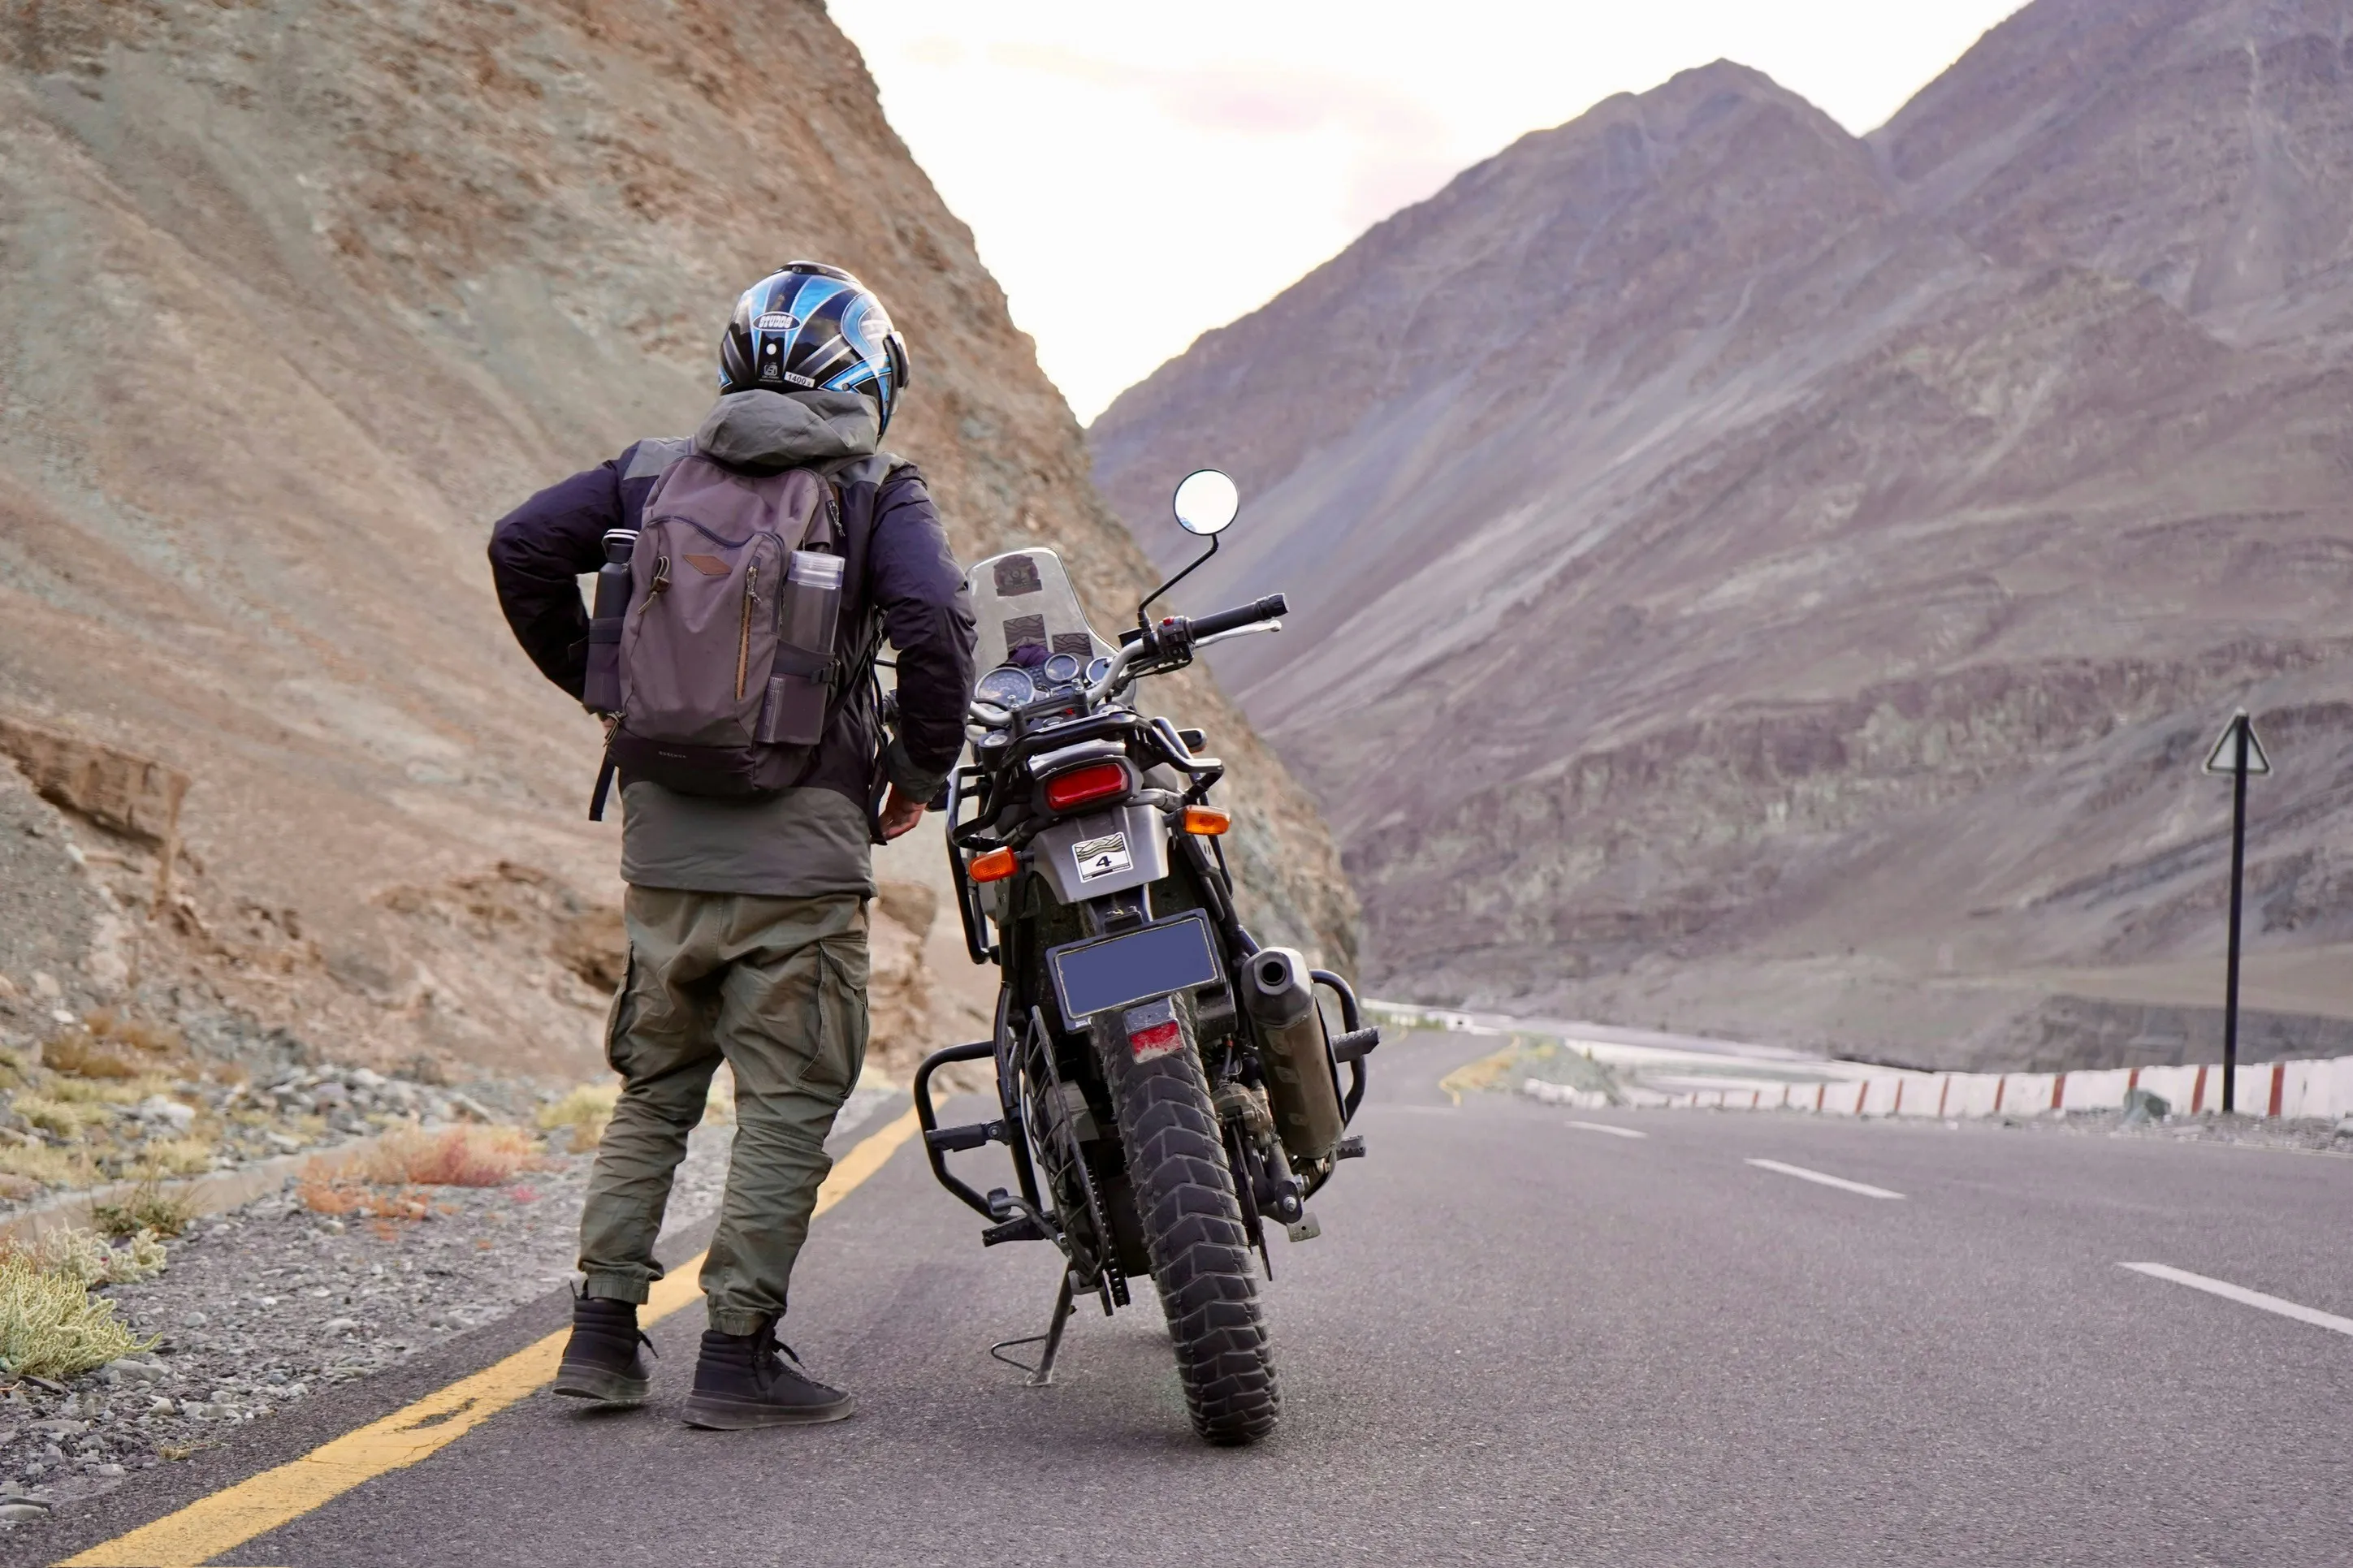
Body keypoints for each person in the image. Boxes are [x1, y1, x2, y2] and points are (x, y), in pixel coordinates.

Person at [486, 261, 975, 1428]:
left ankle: (601, 1339)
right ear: (868, 376)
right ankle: (737, 1356)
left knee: (654, 1089)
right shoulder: (875, 490)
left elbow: (520, 546)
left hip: (663, 848)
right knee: (787, 1102)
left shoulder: (649, 473)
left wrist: (606, 688)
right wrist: (913, 773)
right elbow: (935, 622)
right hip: (800, 855)